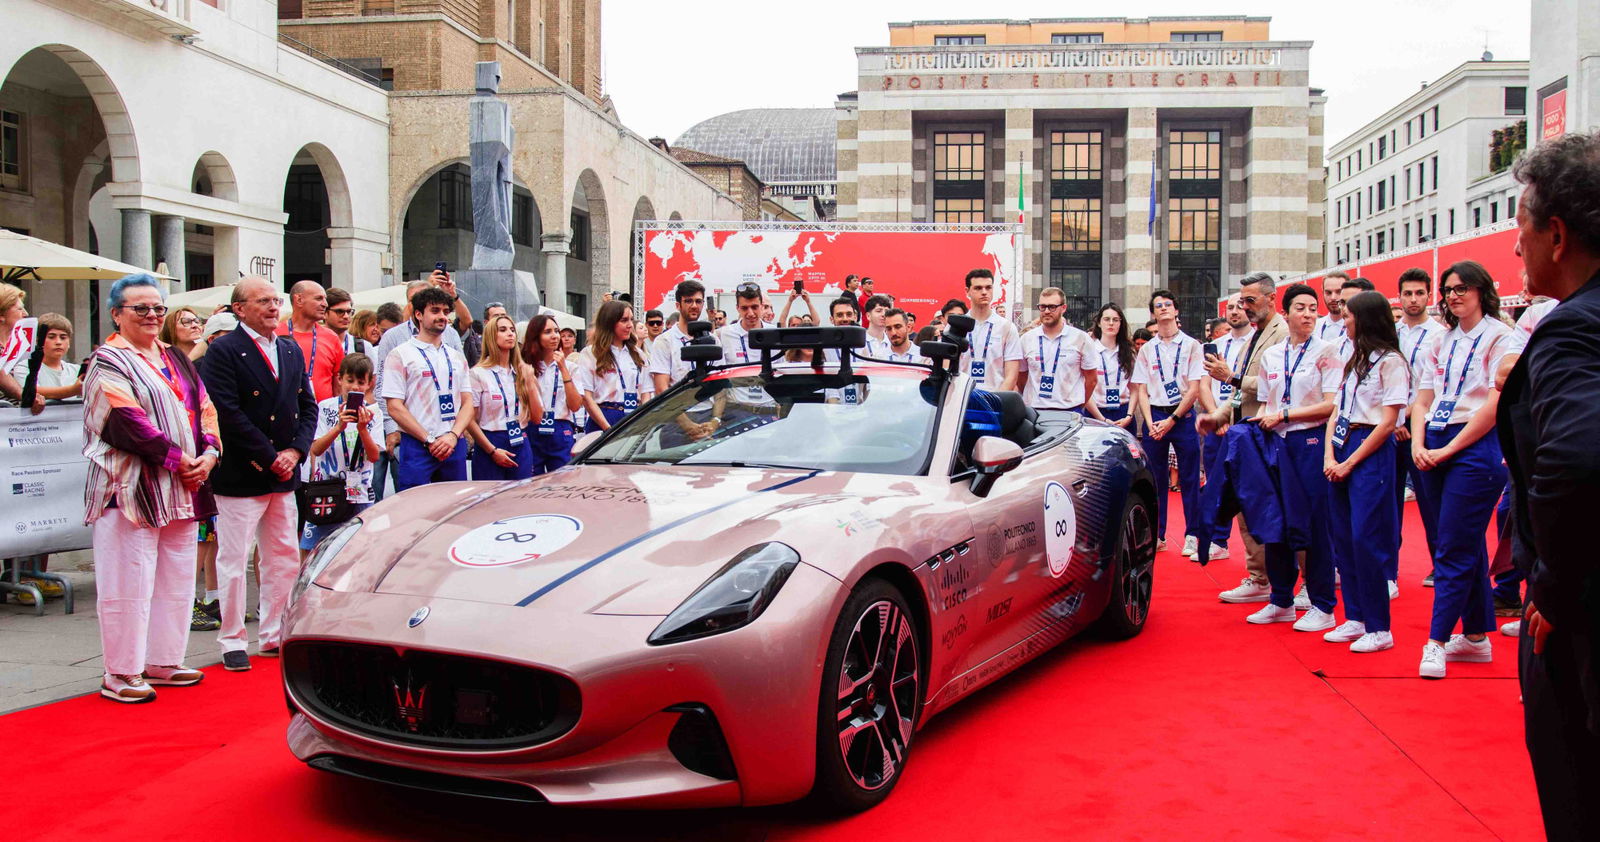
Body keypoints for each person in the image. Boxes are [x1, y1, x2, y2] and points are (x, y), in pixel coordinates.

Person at [1502, 131, 1600, 840]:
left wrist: (1554, 585)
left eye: (1522, 229)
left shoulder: (1571, 333)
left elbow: (1576, 459)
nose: (1517, 249)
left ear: (1557, 235)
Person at [82, 274, 219, 702]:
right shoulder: (106, 360)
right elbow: (124, 422)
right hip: (130, 490)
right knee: (128, 582)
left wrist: (211, 453)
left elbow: (206, 408)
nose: (152, 316)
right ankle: (120, 673)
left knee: (176, 579)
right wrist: (179, 460)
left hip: (183, 488)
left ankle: (163, 660)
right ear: (116, 315)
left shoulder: (175, 357)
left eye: (158, 308)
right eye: (140, 308)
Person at [1410, 261, 1524, 678]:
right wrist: (1421, 443)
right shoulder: (1442, 340)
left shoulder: (1502, 336)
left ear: (1482, 291)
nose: (1454, 295)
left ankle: (1436, 640)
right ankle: (1476, 636)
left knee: (1453, 548)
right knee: (1458, 540)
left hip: (1475, 446)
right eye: (1449, 288)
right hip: (1434, 440)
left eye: (1463, 288)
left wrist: (1451, 448)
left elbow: (1496, 403)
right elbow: (1422, 398)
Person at [196, 275, 315, 671]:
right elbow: (226, 412)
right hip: (242, 471)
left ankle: (273, 632)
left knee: (282, 557)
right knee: (235, 557)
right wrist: (269, 455)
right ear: (239, 308)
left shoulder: (289, 349)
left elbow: (307, 405)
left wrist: (296, 450)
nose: (271, 306)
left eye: (274, 299)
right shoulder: (224, 350)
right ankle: (231, 637)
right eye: (261, 300)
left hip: (284, 471)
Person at [1246, 283, 1341, 631]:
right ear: (1286, 312)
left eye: (1313, 308)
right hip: (1277, 441)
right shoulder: (1274, 355)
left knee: (1315, 523)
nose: (1308, 314)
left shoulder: (1328, 351)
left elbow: (1330, 404)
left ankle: (1323, 604)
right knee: (1277, 520)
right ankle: (1281, 600)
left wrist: (1286, 416)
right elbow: (1270, 400)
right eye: (1300, 308)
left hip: (1311, 440)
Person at [1323, 290, 1409, 653]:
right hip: (1342, 443)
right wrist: (1329, 455)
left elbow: (1389, 422)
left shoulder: (1392, 362)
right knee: (1342, 537)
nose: (1344, 321)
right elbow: (1336, 410)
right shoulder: (1353, 358)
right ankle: (1355, 617)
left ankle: (1379, 626)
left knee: (1365, 538)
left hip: (1369, 451)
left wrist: (1350, 461)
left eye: (1348, 316)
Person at [1200, 273, 1287, 600]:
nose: (1244, 307)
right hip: (1245, 433)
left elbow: (1270, 384)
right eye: (1241, 301)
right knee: (1246, 509)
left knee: (1271, 510)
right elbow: (1238, 395)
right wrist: (1217, 417)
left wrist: (1232, 377)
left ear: (1271, 299)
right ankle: (1259, 577)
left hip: (1270, 432)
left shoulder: (1281, 333)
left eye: (1250, 300)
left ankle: (1291, 583)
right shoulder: (1254, 336)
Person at [1131, 289, 1206, 553]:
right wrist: (1150, 422)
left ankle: (1193, 534)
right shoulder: (1147, 350)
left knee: (1189, 477)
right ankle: (1158, 533)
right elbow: (1140, 388)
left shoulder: (1191, 345)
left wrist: (1173, 419)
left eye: (1168, 305)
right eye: (1158, 305)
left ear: (1176, 311)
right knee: (1156, 478)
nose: (1163, 308)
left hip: (1182, 417)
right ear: (1153, 313)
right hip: (1155, 416)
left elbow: (1195, 387)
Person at [382, 286, 475, 490]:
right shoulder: (400, 354)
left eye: (445, 311)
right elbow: (394, 406)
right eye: (434, 311)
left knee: (454, 509)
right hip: (418, 444)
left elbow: (468, 403)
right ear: (418, 314)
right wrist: (429, 440)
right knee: (415, 511)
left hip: (453, 442)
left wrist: (453, 435)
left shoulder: (457, 357)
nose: (441, 316)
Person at [1395, 268, 1447, 587]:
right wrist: (1395, 420)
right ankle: (1388, 569)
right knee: (1388, 502)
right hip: (1389, 427)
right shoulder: (1391, 333)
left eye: (1419, 293)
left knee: (1430, 502)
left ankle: (1440, 564)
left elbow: (1436, 385)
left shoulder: (1441, 335)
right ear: (1399, 296)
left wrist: (1408, 419)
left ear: (1429, 295)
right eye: (1407, 293)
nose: (1413, 299)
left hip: (1424, 427)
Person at [300, 353, 381, 556]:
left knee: (356, 551)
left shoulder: (374, 413)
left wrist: (363, 429)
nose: (354, 387)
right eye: (350, 380)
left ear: (369, 383)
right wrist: (339, 427)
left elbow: (374, 456)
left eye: (361, 382)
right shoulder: (326, 407)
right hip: (326, 489)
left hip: (359, 492)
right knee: (312, 551)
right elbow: (316, 449)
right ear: (339, 379)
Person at [1195, 294, 1254, 561]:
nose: (1234, 311)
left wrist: (1229, 419)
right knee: (1215, 482)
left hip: (1244, 423)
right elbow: (1204, 385)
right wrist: (1216, 416)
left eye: (1239, 306)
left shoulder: (1256, 343)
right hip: (1217, 420)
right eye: (1229, 307)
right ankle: (1218, 540)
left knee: (1245, 487)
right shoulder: (1215, 346)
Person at [464, 314, 533, 481]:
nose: (510, 334)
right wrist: (492, 450)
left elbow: (534, 413)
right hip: (490, 441)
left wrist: (530, 381)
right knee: (490, 502)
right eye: (502, 330)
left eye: (512, 330)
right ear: (491, 336)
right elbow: (469, 419)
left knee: (521, 498)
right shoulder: (478, 374)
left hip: (520, 439)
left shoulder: (521, 371)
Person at [1017, 287, 1098, 415]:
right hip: (1034, 411)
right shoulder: (1026, 339)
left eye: (1052, 307)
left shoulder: (1081, 338)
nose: (1047, 311)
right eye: (1042, 307)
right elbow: (1021, 378)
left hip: (1069, 411)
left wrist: (1079, 403)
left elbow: (1092, 380)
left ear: (1063, 308)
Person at [575, 299, 652, 432]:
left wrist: (641, 420)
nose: (630, 325)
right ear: (609, 323)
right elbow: (586, 397)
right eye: (624, 320)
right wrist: (608, 429)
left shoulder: (638, 354)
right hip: (604, 416)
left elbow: (646, 393)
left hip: (634, 416)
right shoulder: (591, 353)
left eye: (631, 319)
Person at [522, 314, 583, 472]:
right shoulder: (525, 367)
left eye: (556, 331)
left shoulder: (570, 367)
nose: (555, 336)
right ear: (536, 336)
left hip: (560, 428)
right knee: (533, 481)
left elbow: (575, 405)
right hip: (532, 427)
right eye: (547, 332)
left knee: (563, 481)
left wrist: (563, 369)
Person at [276, 280, 345, 402]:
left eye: (325, 299)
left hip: (323, 415)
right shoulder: (274, 334)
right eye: (319, 298)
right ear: (299, 300)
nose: (325, 304)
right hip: (286, 412)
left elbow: (338, 382)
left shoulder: (331, 337)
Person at [960, 269, 1022, 390]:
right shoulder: (956, 326)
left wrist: (996, 401)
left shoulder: (1006, 327)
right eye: (978, 288)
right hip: (961, 399)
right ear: (967, 291)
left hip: (994, 400)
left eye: (988, 288)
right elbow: (946, 368)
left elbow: (1012, 375)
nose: (984, 292)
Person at [649, 280, 708, 392]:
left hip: (709, 407)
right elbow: (662, 389)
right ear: (678, 305)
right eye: (688, 301)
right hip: (679, 408)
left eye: (698, 301)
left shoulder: (712, 339)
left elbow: (720, 386)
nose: (694, 306)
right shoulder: (664, 341)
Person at [1090, 303, 1135, 429]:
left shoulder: (1129, 352)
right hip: (1096, 413)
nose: (1111, 323)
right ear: (1099, 323)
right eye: (1106, 319)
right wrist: (1101, 419)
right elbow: (1084, 389)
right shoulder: (1090, 350)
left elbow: (1135, 388)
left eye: (1115, 320)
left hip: (1124, 413)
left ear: (1121, 323)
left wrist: (1129, 416)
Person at [0, 282, 42, 413]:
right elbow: (1, 373)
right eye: (19, 309)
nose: (25, 313)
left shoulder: (19, 343)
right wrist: (27, 396)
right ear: (1, 315)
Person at [461, 301, 507, 369]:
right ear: (486, 322)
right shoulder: (475, 344)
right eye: (496, 316)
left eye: (503, 316)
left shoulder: (512, 341)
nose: (501, 319)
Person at [323, 288, 367, 356]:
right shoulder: (313, 343)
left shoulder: (363, 347)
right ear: (325, 313)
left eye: (349, 311)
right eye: (339, 311)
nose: (346, 316)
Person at [1316, 271, 1350, 343]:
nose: (1333, 297)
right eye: (1328, 292)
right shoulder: (1314, 327)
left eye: (1339, 292)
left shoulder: (1356, 327)